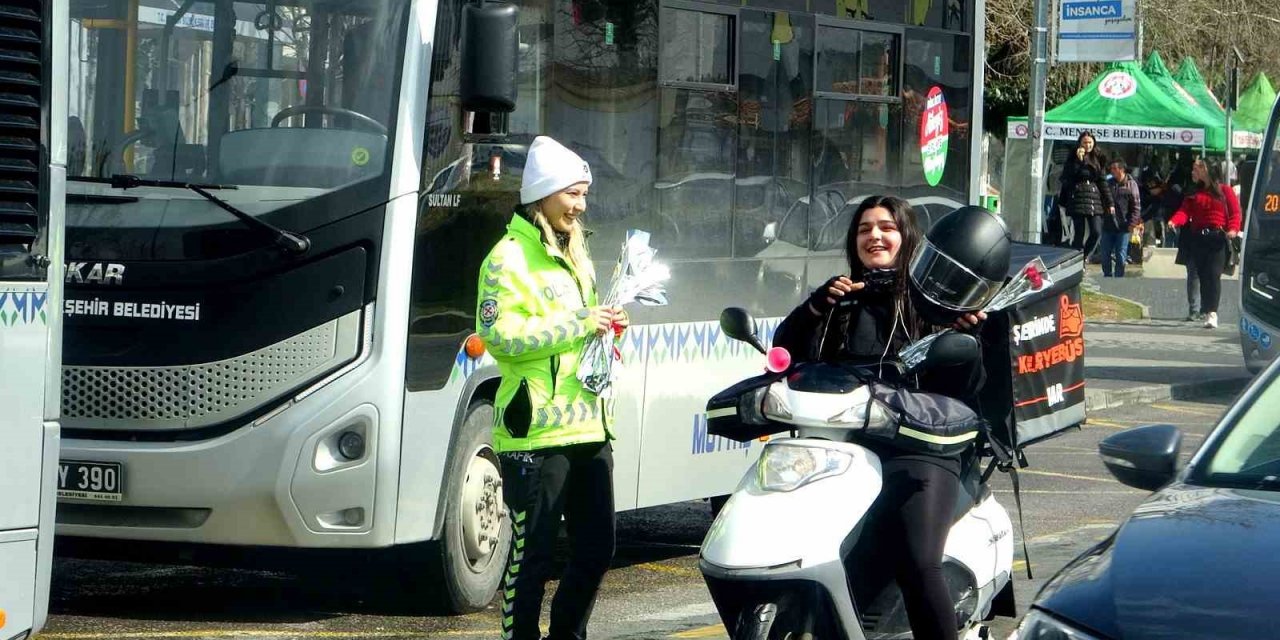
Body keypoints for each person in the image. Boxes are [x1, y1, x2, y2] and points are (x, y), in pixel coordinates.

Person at [772, 196, 987, 640]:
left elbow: (967, 387)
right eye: (864, 228)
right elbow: (784, 353)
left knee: (916, 560)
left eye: (886, 227)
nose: (874, 236)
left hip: (922, 447)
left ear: (907, 237)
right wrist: (814, 306)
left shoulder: (936, 302)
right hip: (843, 448)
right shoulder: (841, 299)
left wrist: (967, 336)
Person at [475, 136, 627, 640]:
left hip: (589, 427)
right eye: (572, 194)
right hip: (534, 434)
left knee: (597, 549)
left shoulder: (575, 252)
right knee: (533, 555)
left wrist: (608, 324)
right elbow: (500, 338)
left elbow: (580, 331)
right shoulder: (506, 258)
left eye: (584, 195)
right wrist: (582, 322)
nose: (580, 206)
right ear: (542, 194)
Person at [1168, 157, 1242, 329]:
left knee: (1213, 275)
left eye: (1200, 167)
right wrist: (1174, 221)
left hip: (1218, 238)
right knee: (1202, 276)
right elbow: (1184, 211)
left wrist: (1232, 229)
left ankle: (1212, 313)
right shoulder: (1194, 192)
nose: (1196, 170)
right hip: (1198, 239)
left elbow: (1235, 213)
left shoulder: (1225, 191)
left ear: (1210, 169)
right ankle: (1206, 309)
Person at [1058, 131, 1115, 262]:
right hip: (1077, 196)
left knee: (1096, 231)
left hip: (1093, 197)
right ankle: (1075, 259)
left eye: (1090, 142)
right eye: (1085, 142)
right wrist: (1078, 160)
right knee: (1079, 232)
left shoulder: (1098, 157)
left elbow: (1102, 182)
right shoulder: (1073, 157)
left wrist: (1110, 203)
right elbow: (1068, 176)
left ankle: (1084, 256)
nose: (1087, 145)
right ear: (1080, 143)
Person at [1100, 159, 1141, 277]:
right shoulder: (1109, 183)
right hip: (1108, 224)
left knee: (1120, 254)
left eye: (1114, 168)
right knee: (1105, 253)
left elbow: (1136, 206)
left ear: (1121, 169)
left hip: (1124, 225)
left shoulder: (1131, 184)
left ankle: (1119, 277)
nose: (1111, 171)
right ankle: (1107, 275)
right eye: (1111, 168)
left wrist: (1132, 224)